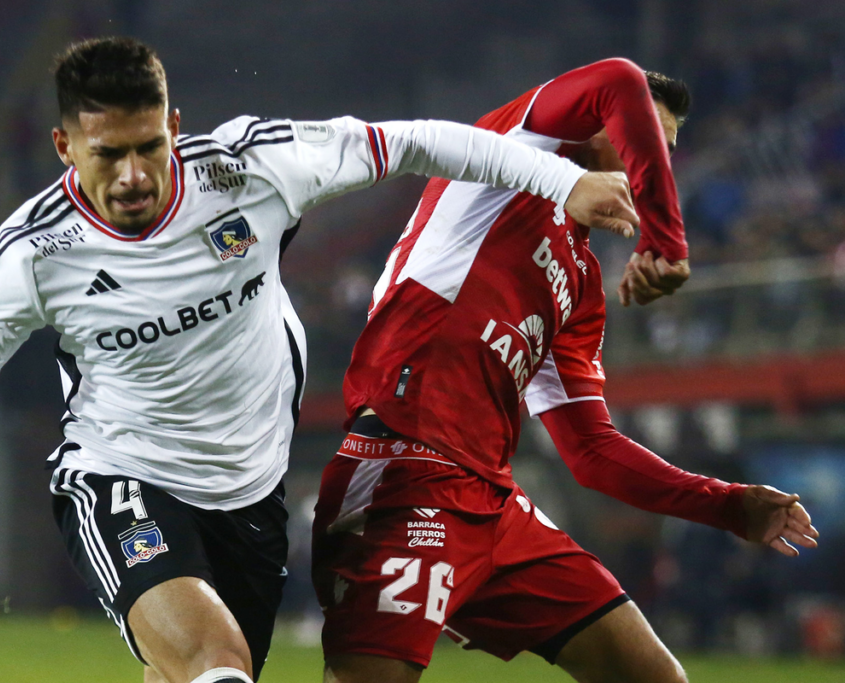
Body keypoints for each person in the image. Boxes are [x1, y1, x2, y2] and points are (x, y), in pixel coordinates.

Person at [0, 38, 639, 683]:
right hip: (124, 475)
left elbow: (414, 142)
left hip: (249, 495)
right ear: (64, 147)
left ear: (176, 126)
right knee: (215, 664)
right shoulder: (33, 254)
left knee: (196, 674)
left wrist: (560, 181)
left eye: (150, 147)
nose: (133, 176)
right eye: (107, 154)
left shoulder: (250, 169)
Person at [312, 58, 820, 683]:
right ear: (596, 124)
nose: (651, 163)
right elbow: (618, 82)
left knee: (655, 677)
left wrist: (726, 506)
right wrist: (667, 238)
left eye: (665, 152)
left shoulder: (579, 284)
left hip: (494, 501)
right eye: (645, 139)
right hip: (406, 468)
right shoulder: (510, 150)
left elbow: (591, 451)